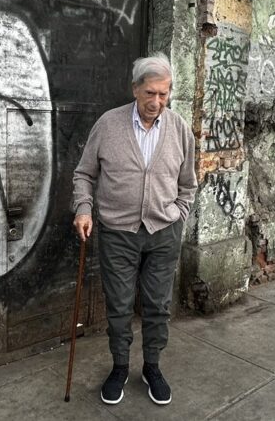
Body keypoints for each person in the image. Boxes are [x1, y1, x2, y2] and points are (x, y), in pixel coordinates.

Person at [72, 53, 197, 406]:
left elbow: (189, 183)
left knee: (158, 305)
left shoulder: (179, 129)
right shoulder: (108, 125)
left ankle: (152, 366)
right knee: (120, 305)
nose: (157, 102)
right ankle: (120, 367)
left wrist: (179, 213)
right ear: (135, 90)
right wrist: (84, 208)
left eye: (164, 94)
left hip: (163, 232)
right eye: (150, 94)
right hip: (117, 232)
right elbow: (84, 173)